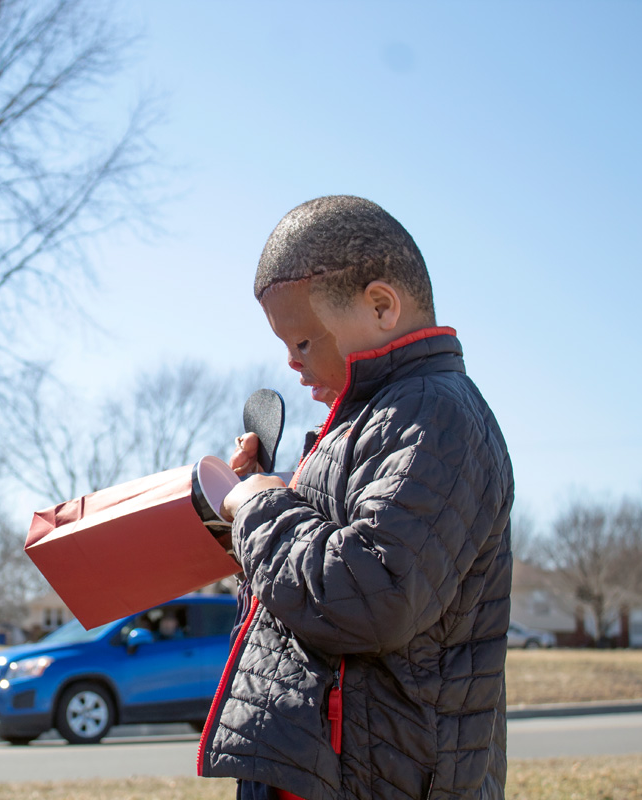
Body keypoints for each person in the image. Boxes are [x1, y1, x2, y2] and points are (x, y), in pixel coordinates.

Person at [197, 196, 513, 800]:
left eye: (304, 342)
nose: (290, 362)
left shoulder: (434, 415)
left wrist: (264, 510)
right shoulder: (375, 421)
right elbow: (312, 592)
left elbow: (374, 595)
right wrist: (247, 512)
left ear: (380, 306)